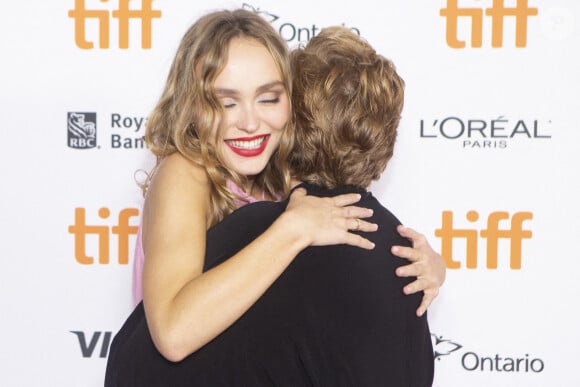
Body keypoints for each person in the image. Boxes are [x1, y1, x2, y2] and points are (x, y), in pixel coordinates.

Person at [105, 8, 442, 386]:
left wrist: (423, 267)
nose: (249, 122)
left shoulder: (284, 179)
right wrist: (292, 229)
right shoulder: (185, 174)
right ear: (190, 104)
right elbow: (173, 333)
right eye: (225, 102)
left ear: (296, 105)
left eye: (268, 99)